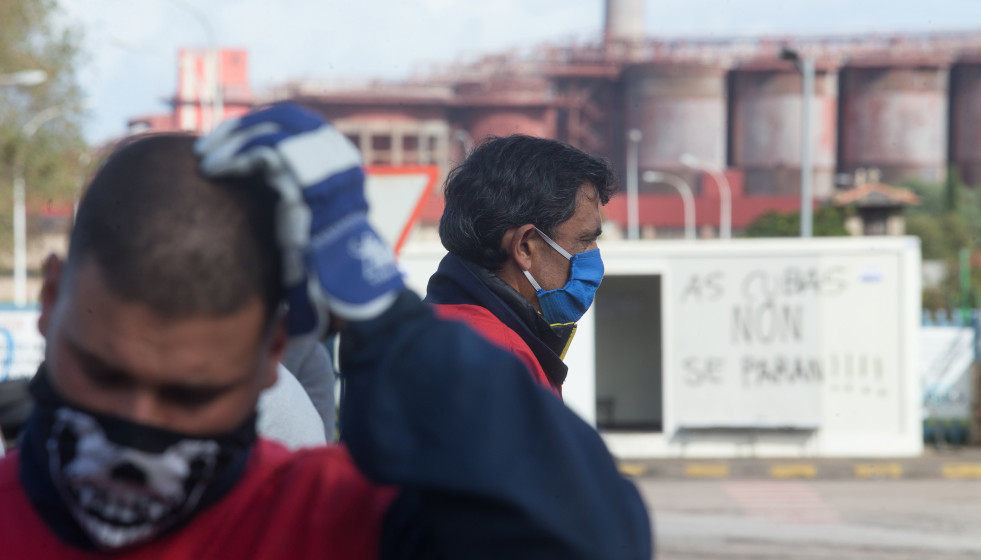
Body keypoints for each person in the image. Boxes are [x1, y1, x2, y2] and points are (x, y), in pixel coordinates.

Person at [0, 104, 651, 558]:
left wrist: (383, 317)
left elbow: (592, 541)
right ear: (51, 299)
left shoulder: (334, 520)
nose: (137, 429)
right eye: (105, 373)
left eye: (191, 395)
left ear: (273, 352)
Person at [425, 135, 615, 396]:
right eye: (585, 241)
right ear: (525, 246)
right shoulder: (500, 362)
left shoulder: (431, 331)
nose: (594, 256)